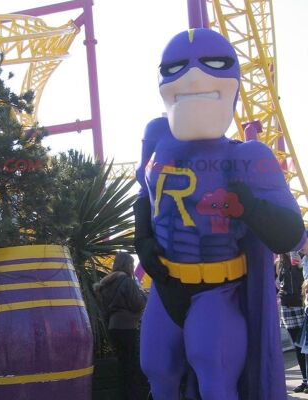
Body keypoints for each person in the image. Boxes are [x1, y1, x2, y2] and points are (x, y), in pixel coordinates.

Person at [133, 28, 306, 400]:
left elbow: (291, 233)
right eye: (178, 68)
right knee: (157, 370)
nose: (194, 75)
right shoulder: (158, 136)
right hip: (165, 286)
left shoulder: (247, 157)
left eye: (211, 64)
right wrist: (142, 239)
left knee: (216, 376)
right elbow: (144, 195)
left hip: (217, 289)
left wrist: (251, 206)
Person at [93, 252, 147, 400]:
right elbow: (137, 304)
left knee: (122, 366)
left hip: (113, 327)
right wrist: (142, 294)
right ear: (127, 265)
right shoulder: (127, 282)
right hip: (128, 327)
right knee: (132, 367)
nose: (133, 267)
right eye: (131, 264)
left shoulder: (106, 284)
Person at [277, 253, 306, 392]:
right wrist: (279, 290)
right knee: (297, 346)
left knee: (305, 345)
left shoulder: (302, 257)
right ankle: (305, 380)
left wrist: (301, 266)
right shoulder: (279, 261)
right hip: (286, 306)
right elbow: (274, 281)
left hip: (300, 305)